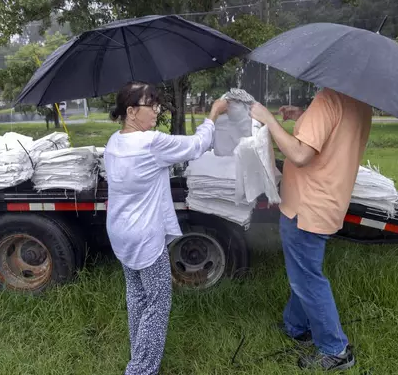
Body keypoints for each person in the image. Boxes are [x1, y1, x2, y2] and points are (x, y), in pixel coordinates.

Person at [104, 81, 227, 375]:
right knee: (158, 304)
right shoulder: (151, 143)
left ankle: (139, 354)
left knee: (137, 297)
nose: (157, 111)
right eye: (152, 106)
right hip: (145, 236)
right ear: (131, 111)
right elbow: (197, 146)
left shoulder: (114, 141)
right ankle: (141, 370)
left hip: (120, 231)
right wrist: (213, 114)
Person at [250, 88, 372, 371]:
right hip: (329, 200)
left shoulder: (328, 98)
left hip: (306, 205)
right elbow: (335, 136)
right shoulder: (360, 101)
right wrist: (304, 116)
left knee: (307, 278)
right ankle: (296, 326)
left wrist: (268, 119)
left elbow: (300, 154)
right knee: (302, 270)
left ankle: (335, 349)